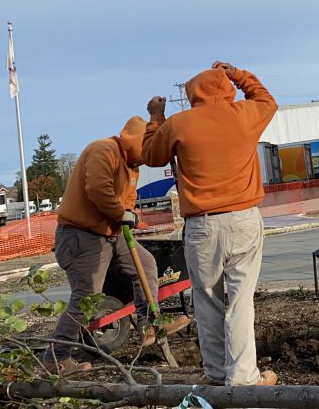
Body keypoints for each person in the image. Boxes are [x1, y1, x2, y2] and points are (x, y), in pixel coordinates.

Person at [142, 61, 278, 386]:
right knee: (240, 302)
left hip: (202, 227)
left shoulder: (179, 124)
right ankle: (244, 379)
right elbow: (267, 100)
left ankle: (216, 376)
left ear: (193, 94)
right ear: (227, 89)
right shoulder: (244, 114)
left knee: (207, 302)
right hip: (243, 221)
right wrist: (237, 74)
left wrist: (155, 117)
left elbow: (150, 155)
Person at [44, 116, 191, 374]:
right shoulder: (103, 150)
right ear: (135, 142)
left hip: (110, 233)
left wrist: (128, 211)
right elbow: (98, 189)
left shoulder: (131, 166)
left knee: (146, 264)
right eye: (144, 151)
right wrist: (120, 212)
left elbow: (127, 199)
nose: (146, 159)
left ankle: (149, 325)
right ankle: (56, 357)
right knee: (86, 297)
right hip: (81, 235)